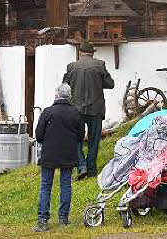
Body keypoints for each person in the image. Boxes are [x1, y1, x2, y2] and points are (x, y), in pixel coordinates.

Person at [33, 83, 84, 232]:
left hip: (49, 154)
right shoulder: (75, 112)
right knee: (66, 186)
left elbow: (38, 135)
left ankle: (42, 221)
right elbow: (80, 136)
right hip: (68, 154)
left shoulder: (48, 112)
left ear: (56, 96)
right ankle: (63, 218)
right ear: (70, 96)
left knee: (45, 186)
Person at [62, 42, 114, 180]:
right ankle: (91, 170)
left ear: (80, 52)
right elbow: (110, 84)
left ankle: (81, 166)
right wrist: (98, 81)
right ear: (93, 53)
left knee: (75, 138)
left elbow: (64, 87)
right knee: (94, 140)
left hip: (76, 109)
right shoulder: (100, 65)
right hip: (95, 108)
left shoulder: (71, 67)